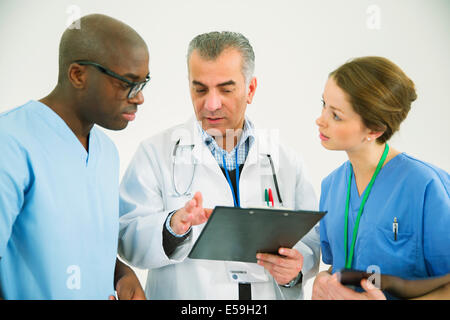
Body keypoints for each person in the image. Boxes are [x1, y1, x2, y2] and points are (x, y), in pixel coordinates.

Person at [118, 31, 320, 300]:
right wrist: (171, 228)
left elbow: (312, 242)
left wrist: (296, 268)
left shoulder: (284, 160)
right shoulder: (155, 154)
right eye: (200, 89)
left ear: (250, 89)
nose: (211, 104)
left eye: (226, 89)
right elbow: (126, 235)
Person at [0, 14, 150, 299]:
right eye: (127, 83)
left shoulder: (106, 152)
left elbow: (78, 244)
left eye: (143, 83)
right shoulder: (10, 142)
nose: (139, 97)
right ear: (78, 75)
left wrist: (120, 273)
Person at [312, 56, 450, 300]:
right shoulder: (331, 186)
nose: (320, 119)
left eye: (336, 115)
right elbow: (344, 267)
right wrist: (324, 280)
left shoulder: (426, 187)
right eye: (323, 104)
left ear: (374, 130)